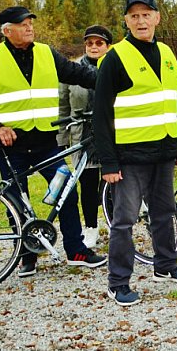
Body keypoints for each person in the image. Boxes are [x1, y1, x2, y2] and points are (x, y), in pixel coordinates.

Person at [0, 6, 106, 277]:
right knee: (16, 202)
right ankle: (27, 256)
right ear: (7, 31)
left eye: (30, 23)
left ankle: (76, 251)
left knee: (66, 193)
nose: (29, 27)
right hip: (10, 147)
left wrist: (111, 80)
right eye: (22, 24)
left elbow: (80, 74)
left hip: (46, 144)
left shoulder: (47, 53)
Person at [93, 0, 177, 306]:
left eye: (146, 15)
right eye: (134, 16)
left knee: (164, 213)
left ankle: (165, 265)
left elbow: (176, 104)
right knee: (125, 221)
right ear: (126, 21)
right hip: (129, 156)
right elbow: (101, 114)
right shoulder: (115, 58)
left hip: (163, 151)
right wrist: (108, 162)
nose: (141, 21)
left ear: (157, 18)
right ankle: (118, 283)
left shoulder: (166, 53)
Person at [58, 25, 113, 249]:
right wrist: (62, 139)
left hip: (111, 132)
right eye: (89, 43)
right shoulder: (72, 70)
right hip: (82, 134)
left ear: (107, 46)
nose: (94, 47)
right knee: (88, 185)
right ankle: (90, 228)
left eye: (99, 43)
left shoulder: (115, 66)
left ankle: (115, 224)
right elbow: (63, 105)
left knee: (112, 182)